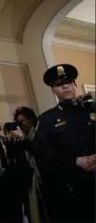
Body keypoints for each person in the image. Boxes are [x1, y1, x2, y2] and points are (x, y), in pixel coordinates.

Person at [33, 64, 95, 223]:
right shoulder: (47, 119)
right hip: (73, 188)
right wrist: (75, 161)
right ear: (53, 90)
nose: (65, 86)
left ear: (74, 85)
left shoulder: (92, 110)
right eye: (59, 84)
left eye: (68, 82)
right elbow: (43, 153)